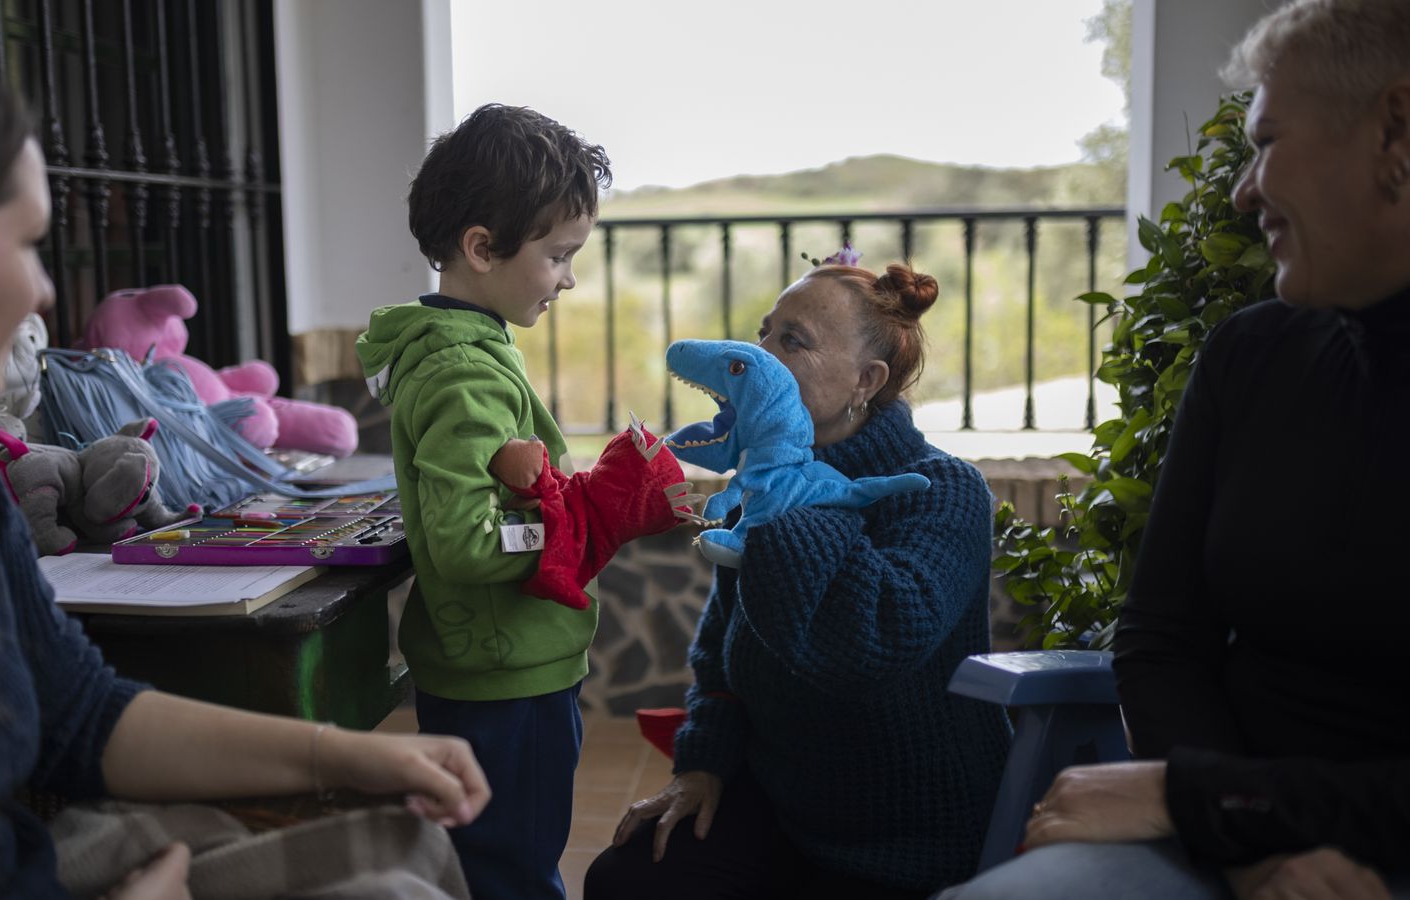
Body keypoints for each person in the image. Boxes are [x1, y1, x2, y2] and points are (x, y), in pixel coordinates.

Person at [0, 24, 489, 900]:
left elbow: (80, 714)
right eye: (24, 246)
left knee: (410, 848)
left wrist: (348, 756)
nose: (45, 291)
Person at [938, 1, 1410, 898]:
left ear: (1396, 128)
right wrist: (1251, 846)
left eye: (1267, 142)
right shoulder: (1251, 352)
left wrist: (1211, 798)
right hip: (1218, 841)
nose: (1243, 189)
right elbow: (1162, 637)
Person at [584, 256, 1012, 899]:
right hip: (782, 807)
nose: (761, 356)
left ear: (866, 381)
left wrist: (801, 497)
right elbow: (721, 662)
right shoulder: (765, 482)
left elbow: (871, 646)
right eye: (764, 334)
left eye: (794, 341)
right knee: (629, 876)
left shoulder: (942, 493)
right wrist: (702, 768)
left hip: (909, 836)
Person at [354, 103, 612, 900]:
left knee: (495, 863)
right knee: (514, 873)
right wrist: (578, 527)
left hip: (498, 665)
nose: (568, 278)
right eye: (559, 255)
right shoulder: (464, 371)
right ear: (481, 247)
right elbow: (466, 539)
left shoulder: (461, 347)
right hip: (509, 677)